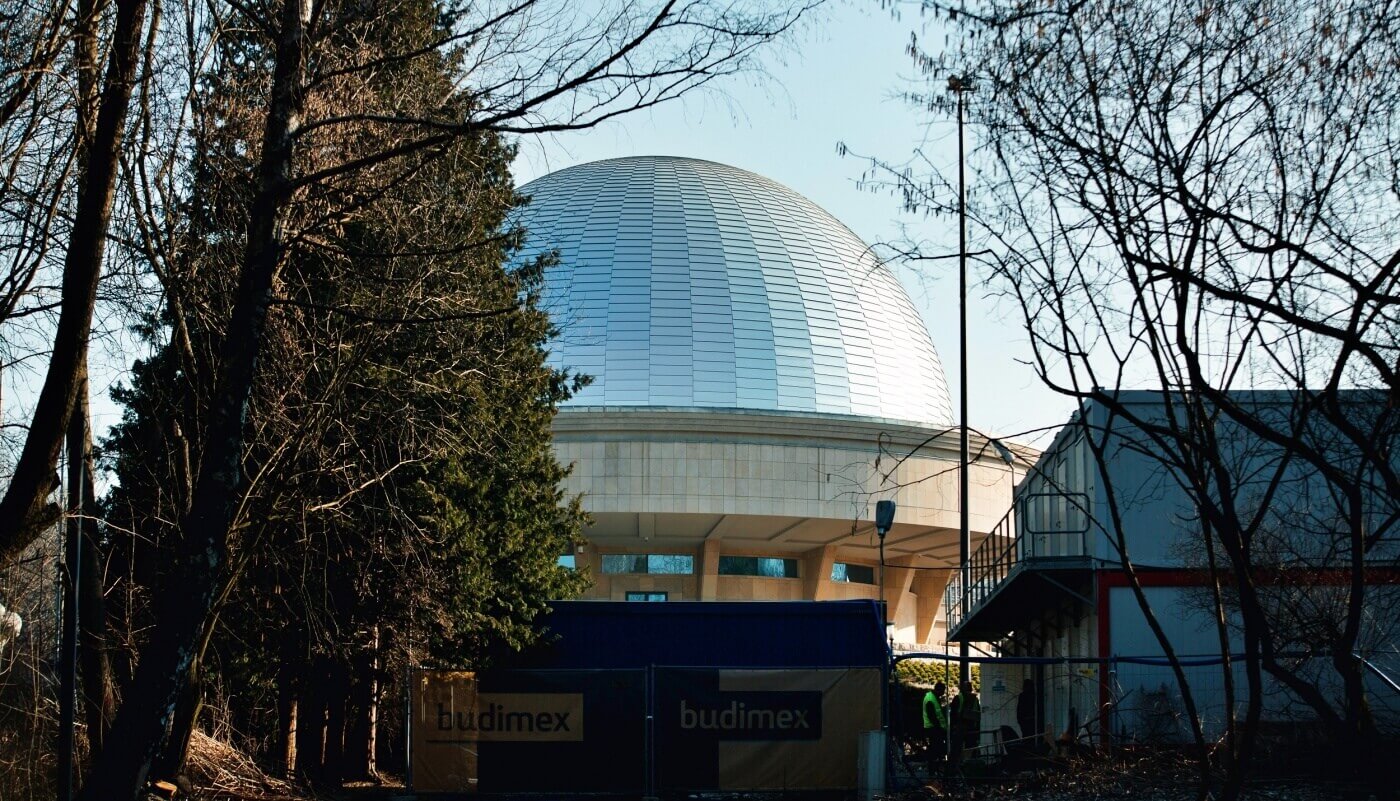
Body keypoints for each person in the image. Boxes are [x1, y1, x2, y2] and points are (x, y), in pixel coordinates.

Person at [950, 680, 982, 765]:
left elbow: (953, 714)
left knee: (958, 749)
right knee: (970, 748)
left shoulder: (958, 698)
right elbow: (978, 714)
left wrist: (953, 727)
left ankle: (958, 765)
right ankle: (969, 764)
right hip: (972, 728)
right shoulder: (975, 699)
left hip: (960, 728)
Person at [921, 681, 948, 777]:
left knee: (935, 752)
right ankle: (933, 773)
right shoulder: (931, 699)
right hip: (933, 730)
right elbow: (932, 716)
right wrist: (940, 728)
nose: (944, 693)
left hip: (934, 729)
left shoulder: (932, 697)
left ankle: (935, 771)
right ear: (939, 689)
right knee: (934, 752)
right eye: (943, 690)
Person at [1016, 678, 1038, 746]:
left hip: (1024, 720)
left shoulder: (1023, 695)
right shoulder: (1033, 695)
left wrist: (1020, 720)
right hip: (1028, 719)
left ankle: (1027, 750)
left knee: (1026, 736)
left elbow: (1019, 709)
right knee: (1030, 736)